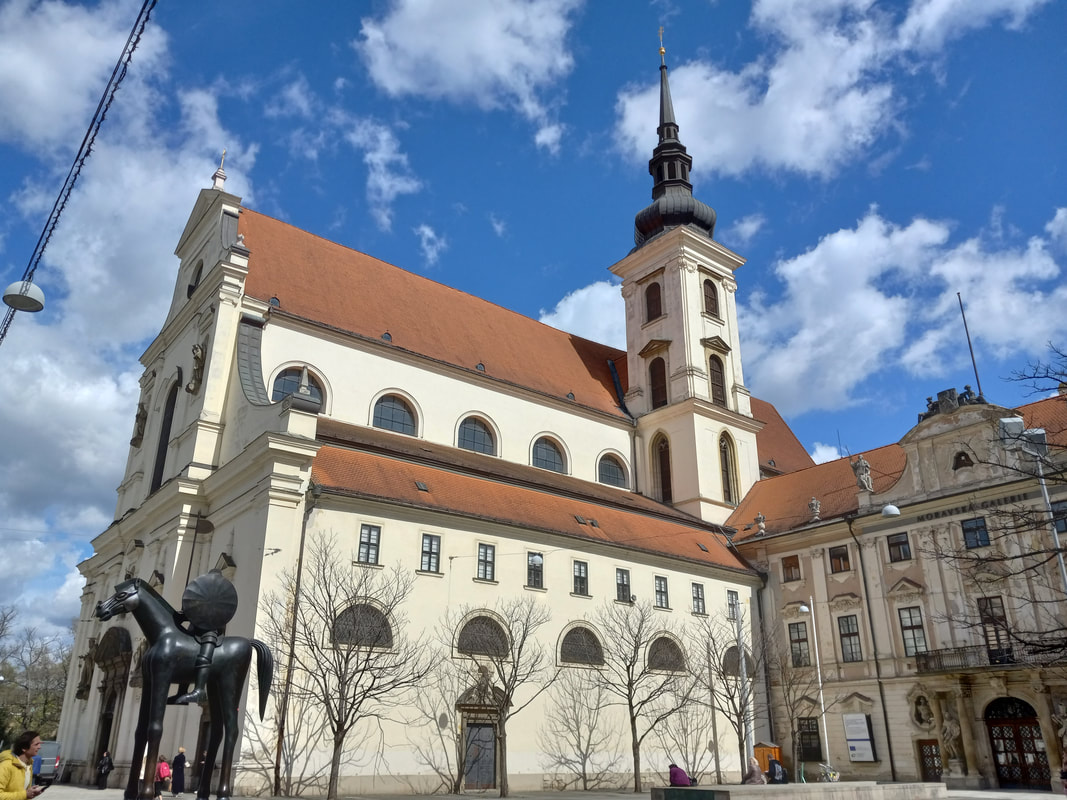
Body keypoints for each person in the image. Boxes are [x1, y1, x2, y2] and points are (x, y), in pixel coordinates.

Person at [0, 730, 46, 799]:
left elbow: (21, 793)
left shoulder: (28, 765)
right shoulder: (6, 766)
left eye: (40, 744)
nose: (40, 747)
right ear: (24, 748)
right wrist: (25, 794)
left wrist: (31, 793)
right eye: (36, 744)